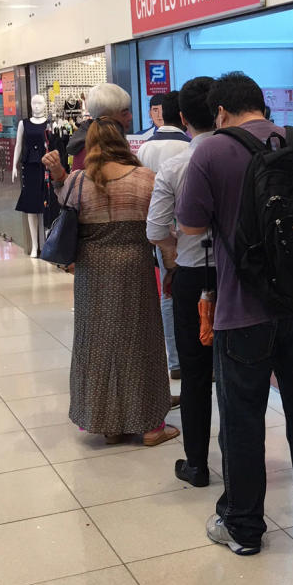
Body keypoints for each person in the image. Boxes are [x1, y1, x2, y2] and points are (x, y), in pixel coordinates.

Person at [176, 71, 293, 556]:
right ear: (262, 104)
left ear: (221, 112)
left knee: (242, 418)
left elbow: (189, 225)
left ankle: (244, 526)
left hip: (242, 309)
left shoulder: (209, 150)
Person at [41, 118, 180, 447]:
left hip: (92, 271)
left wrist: (59, 175)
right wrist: (172, 268)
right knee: (140, 342)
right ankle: (150, 426)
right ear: (123, 142)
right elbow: (161, 231)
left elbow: (65, 209)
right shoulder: (146, 179)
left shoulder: (77, 181)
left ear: (90, 145)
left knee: (98, 345)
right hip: (135, 269)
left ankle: (110, 424)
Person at [147, 77, 218, 487]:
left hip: (193, 277)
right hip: (237, 277)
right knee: (236, 373)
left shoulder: (175, 167)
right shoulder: (245, 156)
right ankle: (244, 458)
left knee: (194, 374)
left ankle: (196, 464)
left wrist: (175, 257)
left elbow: (156, 228)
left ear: (184, 117)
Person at [140, 90, 192, 380]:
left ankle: (174, 360)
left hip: (158, 230)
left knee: (168, 293)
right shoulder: (189, 147)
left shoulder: (145, 148)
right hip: (188, 231)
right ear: (183, 115)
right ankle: (195, 353)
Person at [67, 83, 134, 172]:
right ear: (106, 118)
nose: (130, 117)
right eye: (124, 114)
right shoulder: (95, 152)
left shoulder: (91, 143)